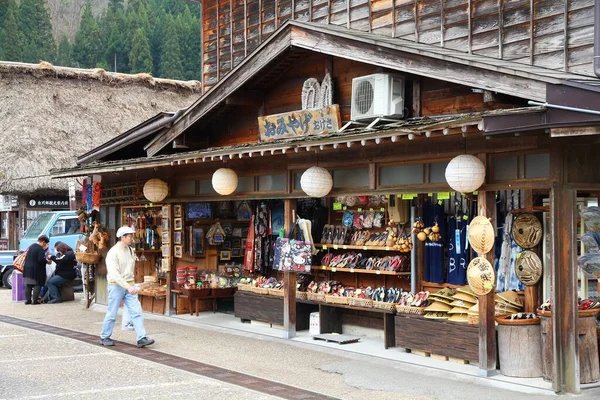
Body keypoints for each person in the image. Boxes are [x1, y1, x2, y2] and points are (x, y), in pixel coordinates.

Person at [99, 226, 154, 348]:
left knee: (136, 311)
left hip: (129, 284)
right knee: (112, 312)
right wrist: (128, 286)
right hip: (116, 285)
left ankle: (141, 338)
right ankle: (104, 336)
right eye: (130, 236)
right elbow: (114, 274)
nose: (132, 239)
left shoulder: (130, 250)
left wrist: (132, 285)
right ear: (122, 237)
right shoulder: (113, 253)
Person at [23, 235, 50, 305]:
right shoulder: (40, 249)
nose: (46, 245)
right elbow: (41, 260)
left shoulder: (31, 246)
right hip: (36, 270)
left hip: (27, 268)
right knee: (37, 284)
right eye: (46, 243)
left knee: (28, 285)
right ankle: (34, 301)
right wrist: (47, 261)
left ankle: (28, 300)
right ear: (43, 242)